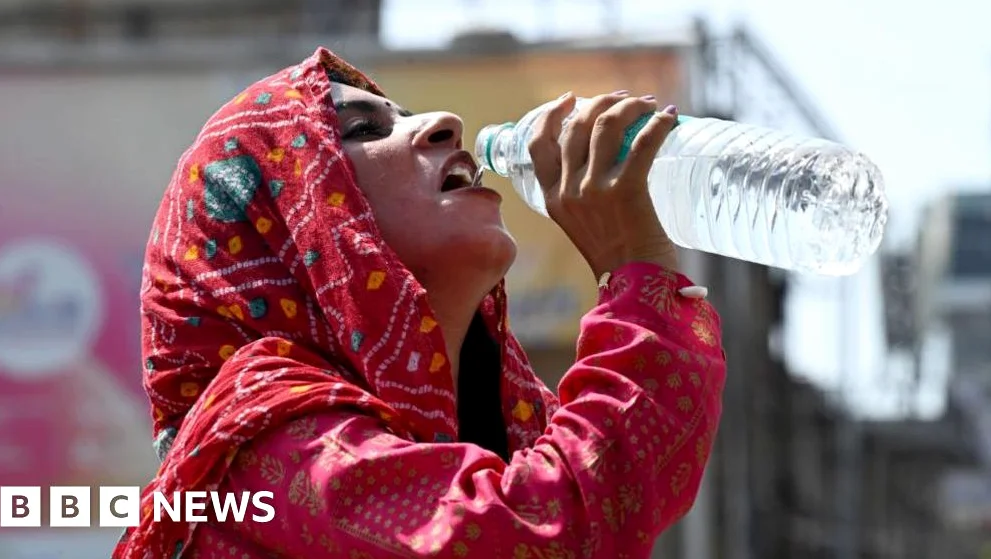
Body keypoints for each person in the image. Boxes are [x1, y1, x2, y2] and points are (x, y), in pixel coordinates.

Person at [113, 48, 726, 559]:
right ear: (290, 239)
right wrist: (633, 267)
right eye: (360, 130)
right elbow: (551, 530)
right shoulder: (258, 449)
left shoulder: (524, 424)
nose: (444, 122)